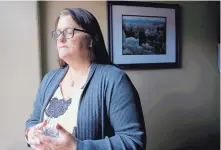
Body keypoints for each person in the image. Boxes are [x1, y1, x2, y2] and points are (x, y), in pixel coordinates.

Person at [25, 7, 147, 150]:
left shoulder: (114, 79)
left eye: (68, 32)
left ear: (91, 39)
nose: (61, 38)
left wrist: (77, 146)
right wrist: (30, 133)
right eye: (58, 33)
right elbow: (33, 120)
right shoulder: (49, 79)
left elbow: (133, 141)